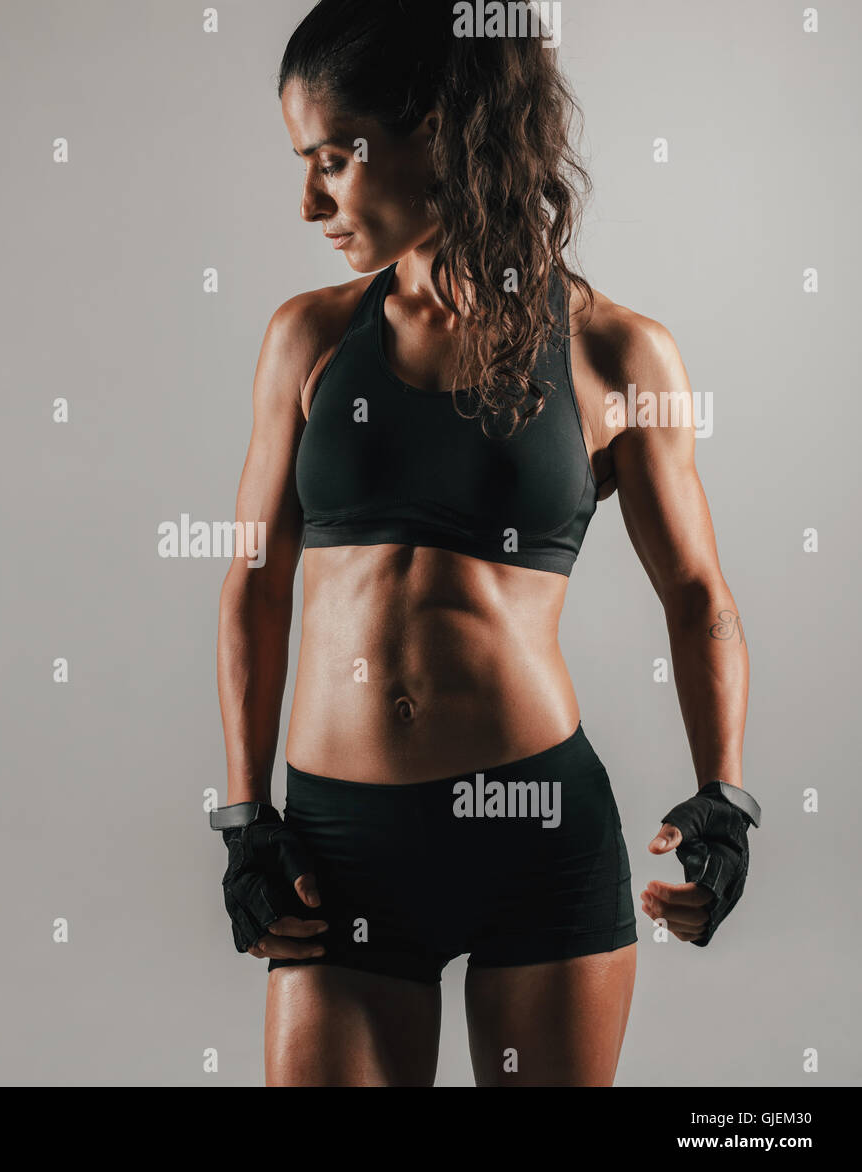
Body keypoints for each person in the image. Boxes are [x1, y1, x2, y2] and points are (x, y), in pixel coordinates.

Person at [213, 0, 759, 1087]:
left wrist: (725, 795)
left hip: (539, 840)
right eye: (302, 162)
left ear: (439, 132)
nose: (310, 198)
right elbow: (252, 584)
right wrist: (243, 818)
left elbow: (696, 593)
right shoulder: (310, 337)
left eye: (334, 158)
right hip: (340, 852)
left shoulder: (617, 353)